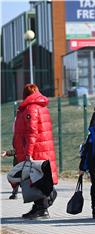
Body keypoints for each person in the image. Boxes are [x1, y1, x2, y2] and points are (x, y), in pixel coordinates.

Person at [12, 83, 58, 219]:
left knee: (36, 180)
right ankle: (39, 207)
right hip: (42, 149)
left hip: (36, 151)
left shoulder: (31, 109)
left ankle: (43, 208)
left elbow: (32, 132)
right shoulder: (40, 107)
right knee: (38, 179)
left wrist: (28, 153)